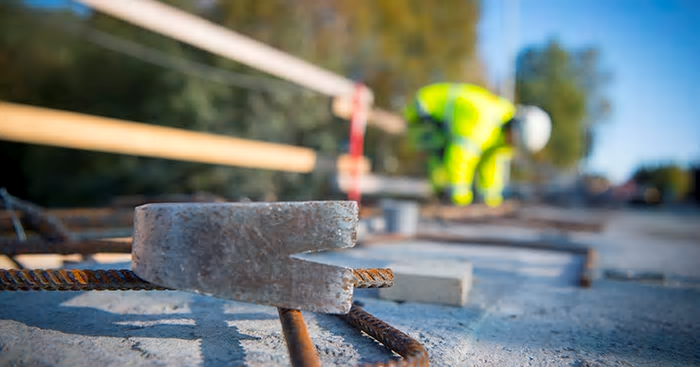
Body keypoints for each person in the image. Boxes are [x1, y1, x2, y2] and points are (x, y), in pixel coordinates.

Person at [403, 83, 551, 207]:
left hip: (445, 119)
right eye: (514, 141)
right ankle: (437, 196)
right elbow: (459, 158)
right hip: (425, 108)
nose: (512, 145)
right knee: (439, 152)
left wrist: (492, 201)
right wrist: (459, 198)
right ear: (514, 126)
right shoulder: (483, 123)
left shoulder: (504, 135)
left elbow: (492, 165)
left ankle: (438, 196)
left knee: (444, 153)